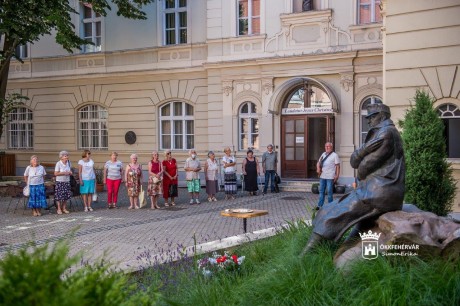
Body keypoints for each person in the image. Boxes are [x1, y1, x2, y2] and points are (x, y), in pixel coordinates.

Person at [302, 102, 405, 254]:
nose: (368, 120)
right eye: (367, 117)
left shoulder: (385, 133)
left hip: (378, 193)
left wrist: (360, 152)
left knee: (332, 213)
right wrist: (362, 154)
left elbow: (362, 167)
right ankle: (343, 250)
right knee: (331, 208)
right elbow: (358, 164)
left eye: (372, 117)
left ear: (382, 116)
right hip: (379, 191)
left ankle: (306, 255)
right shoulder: (386, 132)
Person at [316, 142, 340, 210]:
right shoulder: (323, 154)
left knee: (329, 191)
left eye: (328, 146)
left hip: (330, 176)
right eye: (326, 146)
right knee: (321, 191)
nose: (326, 147)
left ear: (331, 147)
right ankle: (319, 205)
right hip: (322, 176)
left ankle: (330, 205)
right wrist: (318, 168)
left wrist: (337, 175)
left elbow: (338, 166)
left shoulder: (335, 155)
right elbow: (318, 162)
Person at [54, 150, 72, 215]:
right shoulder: (58, 163)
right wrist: (64, 173)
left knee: (66, 195)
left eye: (67, 155)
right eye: (65, 156)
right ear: (61, 157)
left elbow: (70, 171)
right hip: (60, 181)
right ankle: (59, 209)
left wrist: (70, 173)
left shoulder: (69, 163)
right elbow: (55, 173)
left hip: (67, 181)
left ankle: (64, 208)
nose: (67, 157)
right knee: (59, 196)